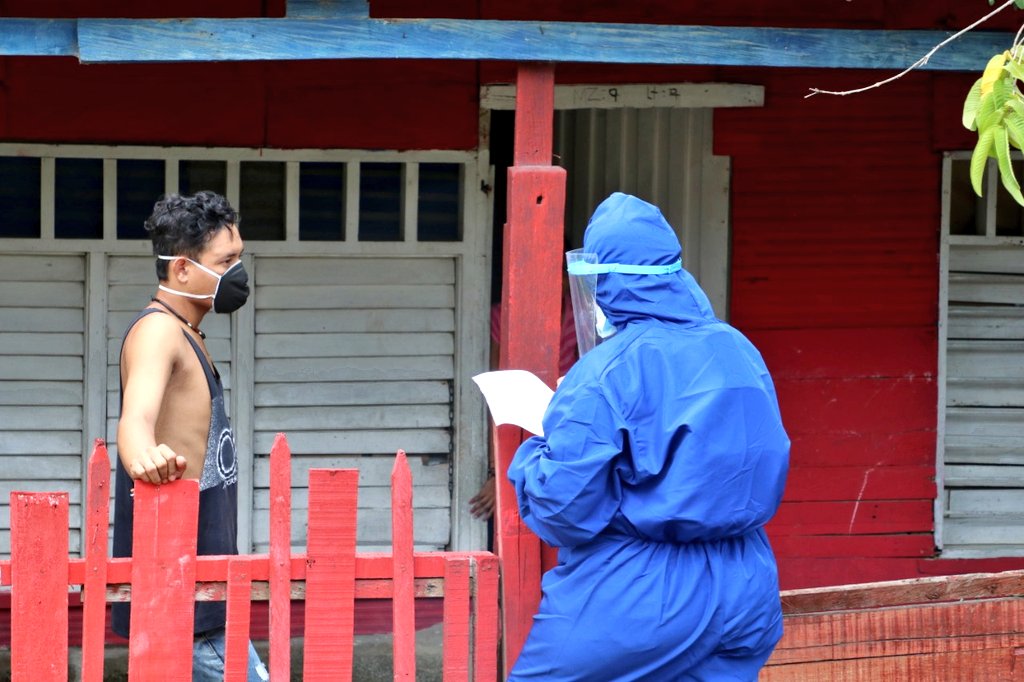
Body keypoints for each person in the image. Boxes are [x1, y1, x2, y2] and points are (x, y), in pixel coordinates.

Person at [507, 193, 790, 681]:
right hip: (749, 580)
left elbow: (562, 509)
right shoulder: (738, 348)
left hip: (641, 592)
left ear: (603, 282)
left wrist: (535, 450)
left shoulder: (606, 370)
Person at [111, 191, 268, 682]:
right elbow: (135, 419)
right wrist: (144, 455)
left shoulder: (188, 333)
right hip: (184, 596)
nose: (238, 272)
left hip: (203, 589)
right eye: (226, 261)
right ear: (182, 269)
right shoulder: (158, 333)